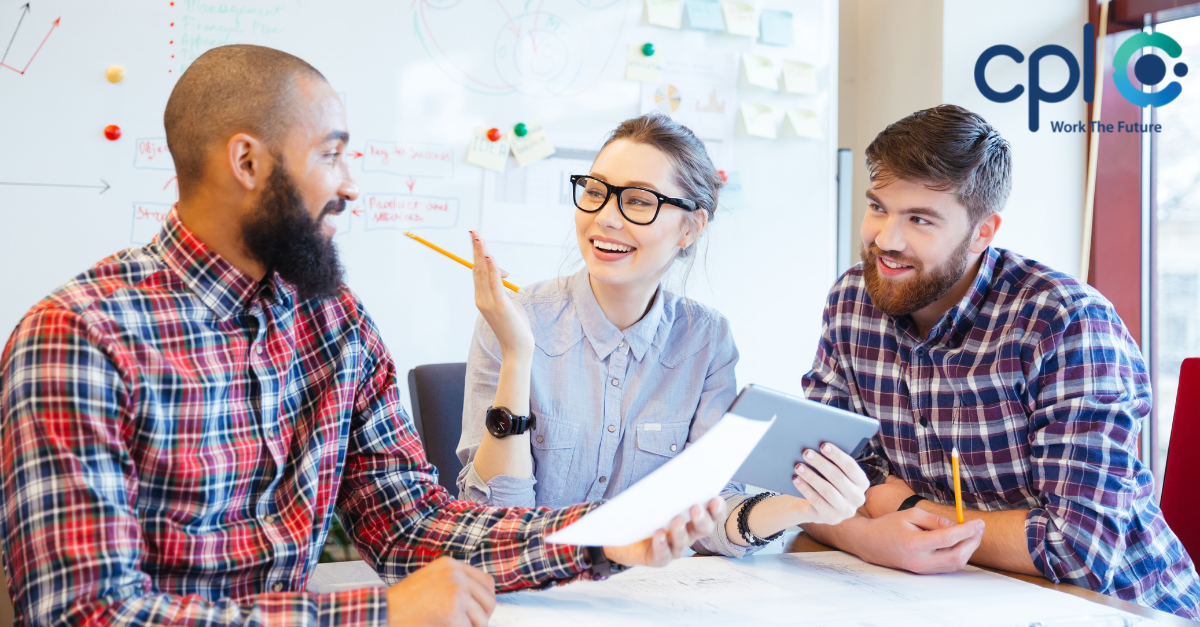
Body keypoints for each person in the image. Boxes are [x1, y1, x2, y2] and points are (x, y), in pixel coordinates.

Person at [0, 45, 727, 627]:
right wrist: (376, 612)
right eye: (331, 154)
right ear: (247, 162)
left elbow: (412, 524)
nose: (351, 185)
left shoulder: (333, 322)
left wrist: (597, 536)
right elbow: (87, 612)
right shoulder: (79, 336)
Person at [799, 104, 1200, 618]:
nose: (886, 240)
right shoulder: (854, 300)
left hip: (1114, 608)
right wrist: (874, 534)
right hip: (945, 597)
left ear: (984, 232)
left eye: (919, 219)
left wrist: (903, 509)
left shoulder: (1064, 323)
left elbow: (1076, 547)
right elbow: (816, 482)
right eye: (878, 207)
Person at [456, 113, 870, 557]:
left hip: (650, 596)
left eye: (638, 201)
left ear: (690, 228)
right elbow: (493, 525)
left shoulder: (707, 340)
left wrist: (801, 507)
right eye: (595, 192)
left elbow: (707, 513)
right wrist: (518, 355)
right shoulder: (515, 321)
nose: (606, 218)